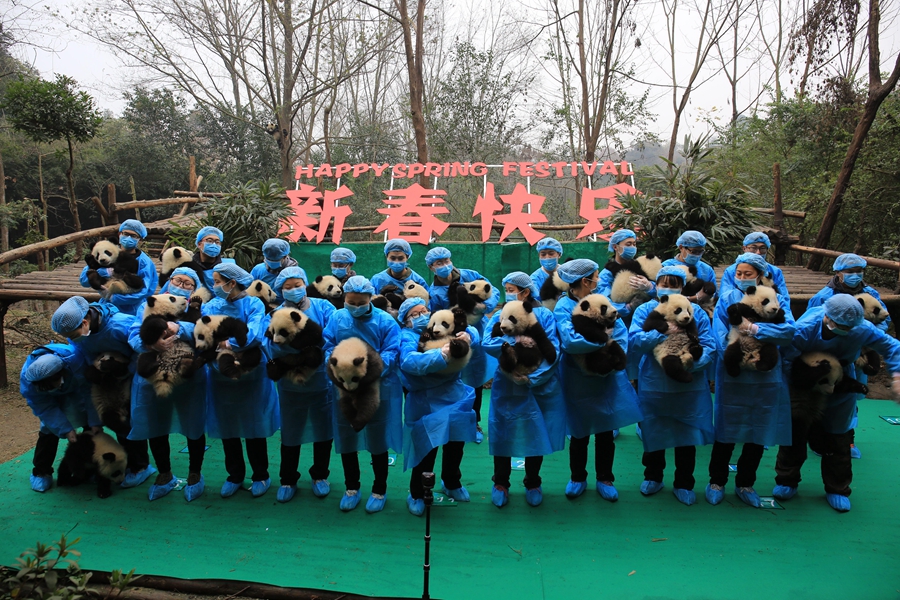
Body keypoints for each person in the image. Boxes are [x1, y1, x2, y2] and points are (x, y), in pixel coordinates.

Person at [774, 294, 900, 512]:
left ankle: (837, 488)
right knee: (796, 434)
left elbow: (892, 346)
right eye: (842, 326)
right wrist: (790, 391)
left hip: (841, 379)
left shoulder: (861, 328)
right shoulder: (805, 329)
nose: (847, 330)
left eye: (850, 327)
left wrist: (897, 374)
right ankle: (786, 479)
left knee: (838, 437)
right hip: (804, 382)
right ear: (828, 318)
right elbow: (786, 360)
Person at [706, 252, 796, 507]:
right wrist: (741, 358)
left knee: (758, 431)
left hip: (765, 377)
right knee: (727, 430)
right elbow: (719, 336)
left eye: (749, 274)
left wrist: (758, 330)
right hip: (734, 375)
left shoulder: (773, 297)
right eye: (739, 274)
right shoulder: (727, 299)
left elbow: (788, 331)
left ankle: (746, 483)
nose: (743, 278)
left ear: (761, 275)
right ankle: (716, 480)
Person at [553, 260, 642, 502]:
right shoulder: (563, 307)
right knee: (579, 432)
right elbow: (570, 342)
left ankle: (605, 477)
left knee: (605, 430)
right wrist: (605, 341)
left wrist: (612, 356)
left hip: (606, 378)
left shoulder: (602, 300)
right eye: (595, 276)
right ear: (585, 281)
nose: (598, 279)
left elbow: (620, 333)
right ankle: (577, 477)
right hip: (577, 378)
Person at [628, 266, 715, 506]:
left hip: (689, 386)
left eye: (675, 284)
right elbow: (635, 342)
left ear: (683, 287)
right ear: (656, 285)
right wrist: (662, 332)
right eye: (664, 283)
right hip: (655, 383)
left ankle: (684, 482)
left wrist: (690, 364)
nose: (668, 287)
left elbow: (709, 345)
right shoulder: (646, 309)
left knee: (687, 435)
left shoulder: (694, 311)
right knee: (654, 431)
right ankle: (653, 476)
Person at [51, 296, 155, 487]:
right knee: (107, 420)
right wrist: (94, 373)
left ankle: (140, 466)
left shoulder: (119, 326)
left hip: (131, 376)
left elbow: (142, 350)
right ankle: (100, 464)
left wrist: (125, 372)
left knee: (129, 421)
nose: (71, 338)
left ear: (84, 322)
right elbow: (82, 352)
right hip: (103, 379)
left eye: (72, 334)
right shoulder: (80, 332)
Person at [483, 271, 565, 508]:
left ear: (525, 291)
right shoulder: (502, 313)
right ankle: (500, 482)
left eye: (510, 289)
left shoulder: (544, 316)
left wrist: (533, 378)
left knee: (535, 431)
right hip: (506, 386)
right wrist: (513, 343)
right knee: (503, 432)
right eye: (506, 289)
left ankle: (533, 481)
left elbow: (553, 350)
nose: (508, 294)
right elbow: (487, 341)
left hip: (536, 388)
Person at [127, 267, 209, 502]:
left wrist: (181, 328)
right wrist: (151, 344)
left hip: (189, 380)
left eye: (187, 283)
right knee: (156, 425)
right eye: (177, 281)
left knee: (193, 425)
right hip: (154, 379)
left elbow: (207, 330)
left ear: (195, 288)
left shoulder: (199, 306)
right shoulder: (152, 304)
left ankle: (195, 474)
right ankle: (165, 474)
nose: (181, 286)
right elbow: (133, 333)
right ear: (168, 281)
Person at [322, 276, 402, 513]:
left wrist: (368, 373)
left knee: (378, 440)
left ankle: (379, 489)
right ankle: (352, 487)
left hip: (377, 388)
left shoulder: (385, 321)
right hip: (344, 388)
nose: (355, 307)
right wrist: (337, 368)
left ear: (370, 299)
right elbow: (327, 345)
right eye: (351, 301)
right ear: (344, 298)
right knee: (347, 438)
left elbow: (392, 352)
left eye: (360, 302)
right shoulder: (337, 318)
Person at [204, 263, 280, 498]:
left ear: (231, 282)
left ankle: (260, 475)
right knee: (228, 427)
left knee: (253, 426)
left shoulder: (254, 304)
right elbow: (204, 332)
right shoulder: (212, 304)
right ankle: (235, 475)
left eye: (217, 281)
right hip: (220, 376)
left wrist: (227, 343)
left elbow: (254, 334)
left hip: (251, 376)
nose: (214, 286)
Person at [398, 297, 478, 516]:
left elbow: (469, 329)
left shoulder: (443, 325)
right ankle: (417, 493)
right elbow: (409, 362)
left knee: (455, 445)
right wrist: (441, 354)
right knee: (425, 450)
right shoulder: (407, 336)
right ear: (405, 321)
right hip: (424, 401)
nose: (422, 316)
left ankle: (451, 482)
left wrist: (469, 336)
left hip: (454, 396)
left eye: (424, 310)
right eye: (414, 314)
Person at [806, 253, 890, 459]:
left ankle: (848, 440)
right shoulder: (824, 296)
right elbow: (811, 322)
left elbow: (882, 319)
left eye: (858, 271)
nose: (855, 275)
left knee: (850, 398)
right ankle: (817, 440)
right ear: (838, 272)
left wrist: (863, 338)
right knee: (822, 394)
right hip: (827, 354)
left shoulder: (871, 293)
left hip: (856, 354)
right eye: (850, 272)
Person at [266, 266, 336, 503]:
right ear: (280, 290)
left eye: (297, 285)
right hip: (290, 385)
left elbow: (330, 340)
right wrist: (298, 349)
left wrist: (314, 356)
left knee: (323, 430)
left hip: (320, 381)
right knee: (291, 431)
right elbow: (271, 345)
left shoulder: (323, 307)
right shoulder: (275, 314)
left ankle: (320, 475)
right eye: (287, 287)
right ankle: (287, 478)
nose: (294, 290)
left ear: (305, 284)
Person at [425, 247, 499, 444]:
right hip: (453, 338)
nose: (444, 266)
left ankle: (474, 422)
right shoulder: (435, 292)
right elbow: (437, 318)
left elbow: (492, 290)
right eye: (438, 263)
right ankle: (454, 421)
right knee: (455, 381)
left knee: (475, 383)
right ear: (431, 267)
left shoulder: (469, 275)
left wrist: (485, 306)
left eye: (446, 260)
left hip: (478, 333)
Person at [21, 343, 99, 492]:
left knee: (89, 421)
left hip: (76, 386)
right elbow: (44, 407)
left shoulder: (76, 360)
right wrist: (65, 429)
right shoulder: (29, 380)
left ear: (61, 373)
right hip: (48, 397)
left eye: (53, 384)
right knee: (48, 428)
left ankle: (91, 469)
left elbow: (90, 392)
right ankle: (41, 471)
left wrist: (95, 421)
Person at [79, 219, 158, 316]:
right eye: (125, 233)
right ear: (119, 234)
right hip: (107, 307)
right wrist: (96, 270)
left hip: (133, 310)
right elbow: (84, 281)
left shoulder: (144, 262)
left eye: (134, 236)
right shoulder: (108, 250)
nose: (128, 238)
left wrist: (113, 297)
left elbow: (144, 291)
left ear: (140, 240)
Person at [597, 229, 656, 327]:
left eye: (634, 244)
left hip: (644, 320)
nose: (632, 247)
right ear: (615, 247)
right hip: (620, 323)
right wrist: (628, 307)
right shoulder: (607, 274)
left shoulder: (641, 265)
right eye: (628, 244)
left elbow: (661, 289)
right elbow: (604, 300)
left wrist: (650, 287)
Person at [719, 232, 788, 298]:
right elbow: (724, 297)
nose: (758, 252)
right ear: (744, 248)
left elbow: (784, 299)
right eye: (753, 248)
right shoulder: (731, 271)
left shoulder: (775, 272)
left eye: (762, 248)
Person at [661, 230, 716, 303]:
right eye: (693, 251)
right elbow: (660, 291)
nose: (697, 254)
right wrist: (693, 298)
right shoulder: (667, 266)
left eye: (700, 251)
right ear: (681, 247)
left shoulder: (706, 269)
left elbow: (714, 293)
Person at [249, 238, 298, 304]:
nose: (272, 262)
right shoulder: (258, 269)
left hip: (286, 308)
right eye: (269, 259)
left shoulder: (294, 272)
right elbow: (249, 290)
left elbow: (298, 296)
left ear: (285, 256)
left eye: (276, 260)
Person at [192, 226, 235, 292]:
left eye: (217, 242)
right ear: (199, 244)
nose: (214, 245)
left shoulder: (229, 265)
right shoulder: (190, 267)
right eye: (209, 241)